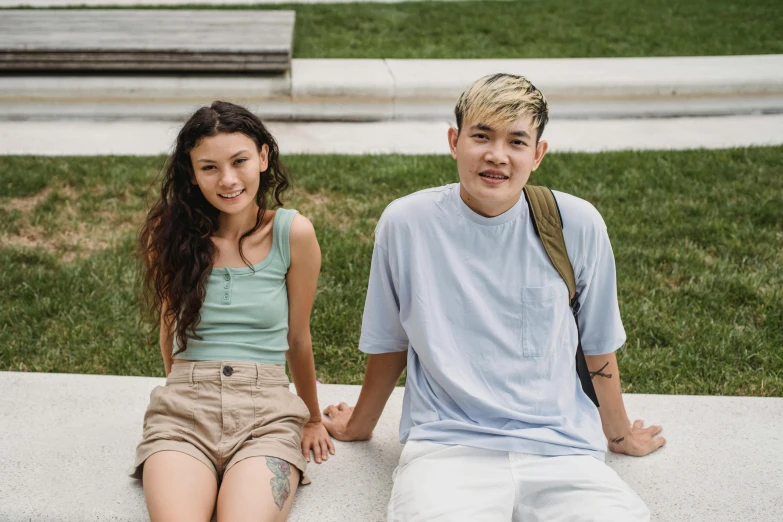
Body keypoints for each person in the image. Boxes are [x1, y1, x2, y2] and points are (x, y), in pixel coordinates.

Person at [322, 74, 665, 521]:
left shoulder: (576, 224)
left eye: (516, 142)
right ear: (454, 141)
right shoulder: (406, 224)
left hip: (561, 451)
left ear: (537, 154)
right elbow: (392, 343)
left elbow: (597, 343)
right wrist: (359, 425)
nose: (496, 156)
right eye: (481, 136)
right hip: (447, 449)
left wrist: (618, 436)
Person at [131, 101, 334, 522]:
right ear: (191, 171)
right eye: (209, 167)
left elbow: (298, 338)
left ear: (262, 157)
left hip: (268, 416)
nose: (227, 179)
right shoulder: (168, 233)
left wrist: (313, 418)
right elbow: (169, 326)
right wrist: (182, 385)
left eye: (239, 161)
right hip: (184, 413)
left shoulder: (292, 232)